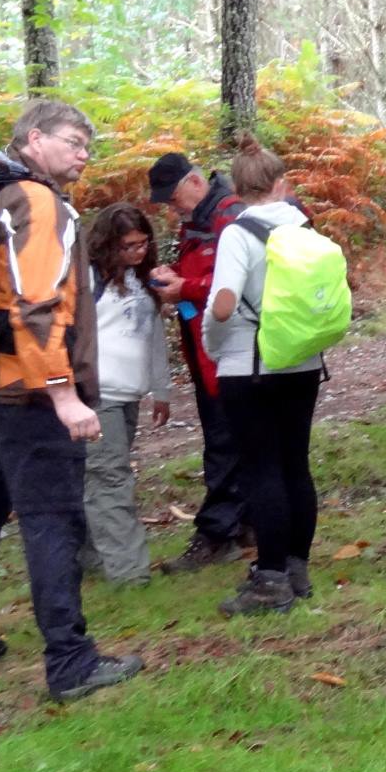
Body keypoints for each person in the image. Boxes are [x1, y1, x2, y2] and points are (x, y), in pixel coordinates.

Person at [0, 100, 143, 702]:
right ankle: (71, 663)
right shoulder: (38, 202)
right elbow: (38, 306)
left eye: (88, 144)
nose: (83, 153)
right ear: (34, 138)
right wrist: (63, 395)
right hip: (28, 394)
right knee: (53, 522)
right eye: (73, 141)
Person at [203, 141, 326, 615]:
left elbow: (224, 302)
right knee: (295, 463)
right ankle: (296, 566)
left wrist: (215, 342)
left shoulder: (237, 233)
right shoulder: (303, 227)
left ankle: (270, 579)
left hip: (248, 364)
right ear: (281, 184)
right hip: (302, 359)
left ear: (235, 188)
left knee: (261, 468)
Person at [146, 153, 247, 569]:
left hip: (229, 354)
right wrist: (176, 276)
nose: (173, 209)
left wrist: (184, 287)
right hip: (207, 354)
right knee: (230, 442)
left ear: (193, 182)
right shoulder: (199, 220)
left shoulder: (229, 216)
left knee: (224, 446)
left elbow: (238, 284)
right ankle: (245, 524)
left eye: (174, 199)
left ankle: (218, 534)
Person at [83, 204, 172, 586]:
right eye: (127, 246)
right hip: (96, 394)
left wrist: (161, 388)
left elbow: (153, 338)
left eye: (142, 243)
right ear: (108, 245)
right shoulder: (87, 280)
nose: (136, 252)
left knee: (99, 478)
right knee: (111, 478)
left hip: (130, 393)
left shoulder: (144, 280)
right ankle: (130, 573)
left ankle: (87, 556)